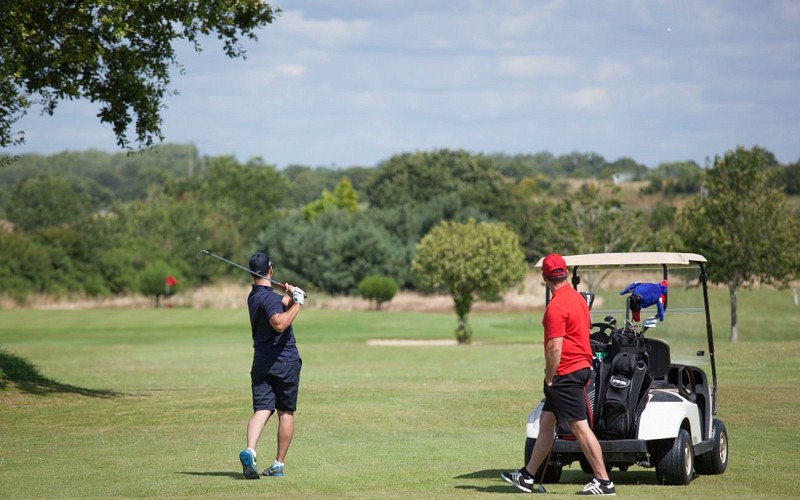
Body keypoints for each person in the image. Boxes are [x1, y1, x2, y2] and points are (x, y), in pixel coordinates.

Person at [502, 253, 615, 496]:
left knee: (579, 427)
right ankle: (528, 476)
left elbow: (555, 347)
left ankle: (604, 482)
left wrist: (551, 376)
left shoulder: (556, 306)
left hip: (566, 372)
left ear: (544, 277)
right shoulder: (577, 299)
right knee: (547, 422)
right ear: (564, 273)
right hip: (580, 367)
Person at [238, 252, 306, 480]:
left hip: (262, 362)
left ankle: (250, 450)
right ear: (270, 270)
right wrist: (298, 304)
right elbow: (279, 323)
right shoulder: (268, 299)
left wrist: (290, 295)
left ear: (251, 273)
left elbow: (278, 304)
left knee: (263, 408)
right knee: (285, 411)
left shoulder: (255, 297)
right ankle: (278, 465)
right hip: (284, 361)